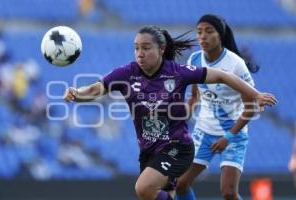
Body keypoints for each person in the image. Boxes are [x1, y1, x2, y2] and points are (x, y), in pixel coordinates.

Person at [63, 25, 276, 200]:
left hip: (178, 148)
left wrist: (255, 94)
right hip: (149, 151)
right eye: (136, 48)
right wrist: (77, 93)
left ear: (161, 48)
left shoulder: (177, 72)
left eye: (146, 48)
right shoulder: (126, 74)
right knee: (161, 195)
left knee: (143, 188)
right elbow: (96, 89)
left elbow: (222, 76)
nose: (140, 53)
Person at [175, 14, 261, 200]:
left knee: (229, 193)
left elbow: (250, 107)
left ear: (219, 35)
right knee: (180, 184)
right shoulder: (194, 60)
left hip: (233, 134)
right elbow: (195, 96)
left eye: (208, 31)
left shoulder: (236, 64)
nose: (202, 36)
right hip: (204, 131)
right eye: (199, 32)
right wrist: (182, 117)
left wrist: (228, 136)